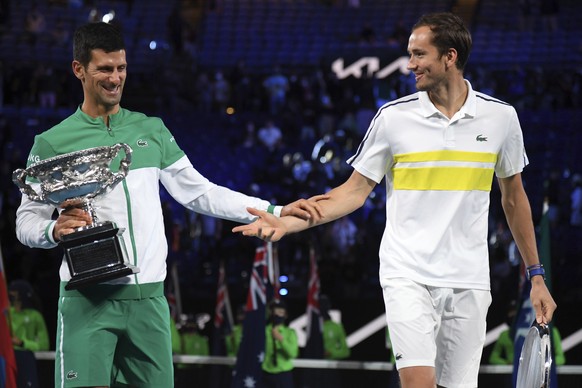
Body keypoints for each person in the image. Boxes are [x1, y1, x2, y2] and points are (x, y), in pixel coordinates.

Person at [233, 12, 557, 388]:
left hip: (469, 279)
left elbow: (514, 200)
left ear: (449, 57)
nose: (410, 64)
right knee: (418, 382)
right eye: (410, 54)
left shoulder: (501, 118)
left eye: (419, 54)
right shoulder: (393, 118)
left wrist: (536, 276)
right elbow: (351, 192)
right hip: (408, 274)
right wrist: (287, 223)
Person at [13, 21, 324, 388]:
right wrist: (52, 229)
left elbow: (200, 192)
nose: (115, 79)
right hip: (87, 302)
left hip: (150, 301)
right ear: (79, 69)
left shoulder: (151, 130)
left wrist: (272, 210)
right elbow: (26, 221)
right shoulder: (51, 142)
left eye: (121, 68)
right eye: (104, 69)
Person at [8, 279, 50, 388]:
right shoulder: (6, 314)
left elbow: (44, 345)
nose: (10, 293)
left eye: (14, 291)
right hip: (7, 357)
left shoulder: (35, 316)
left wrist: (23, 343)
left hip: (25, 357)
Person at [263, 299, 298, 388]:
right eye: (275, 311)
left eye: (281, 312)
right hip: (266, 373)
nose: (277, 314)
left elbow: (293, 353)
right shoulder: (263, 332)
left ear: (285, 315)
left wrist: (281, 339)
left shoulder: (290, 333)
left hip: (283, 374)